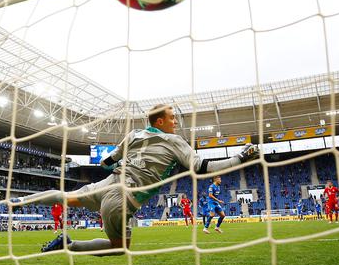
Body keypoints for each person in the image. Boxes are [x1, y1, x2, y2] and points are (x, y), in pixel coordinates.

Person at [20, 104, 258, 255]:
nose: (176, 122)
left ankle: (19, 201)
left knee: (66, 197)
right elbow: (202, 167)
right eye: (172, 118)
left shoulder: (133, 135)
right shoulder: (174, 142)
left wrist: (123, 164)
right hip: (123, 198)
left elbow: (106, 162)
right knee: (120, 248)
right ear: (160, 122)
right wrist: (239, 158)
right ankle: (69, 246)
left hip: (108, 183)